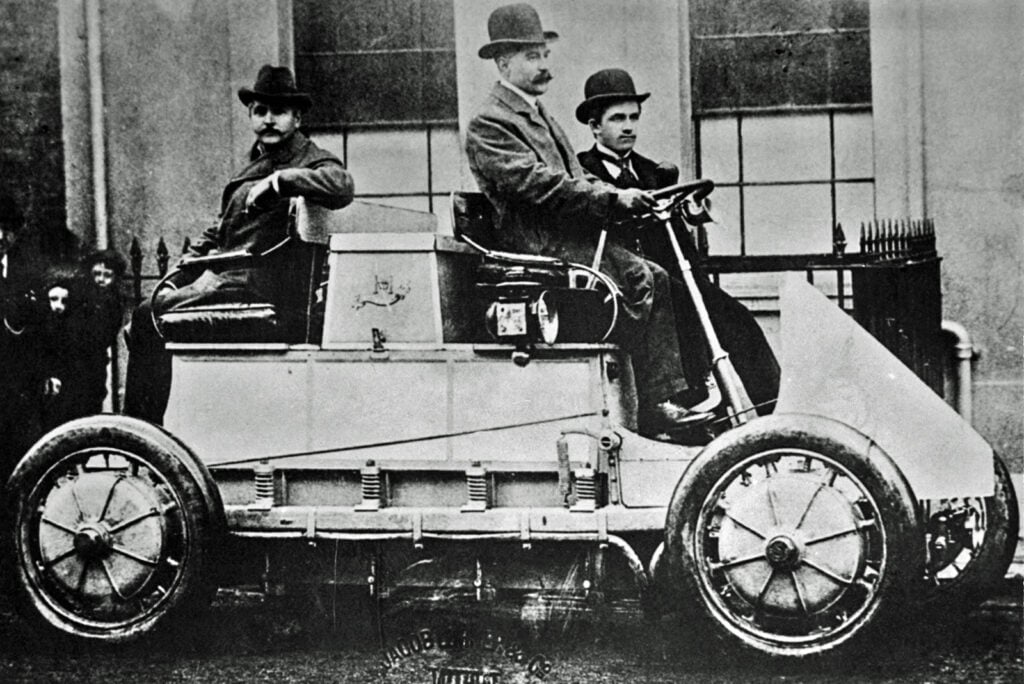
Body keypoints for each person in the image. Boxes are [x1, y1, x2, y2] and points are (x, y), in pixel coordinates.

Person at [463, 3, 711, 440]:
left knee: (655, 275)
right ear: (503, 63)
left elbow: (577, 176)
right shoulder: (490, 123)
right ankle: (646, 406)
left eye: (545, 55)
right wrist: (613, 198)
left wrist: (630, 195)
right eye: (532, 57)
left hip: (567, 241)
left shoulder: (537, 114)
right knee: (640, 278)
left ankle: (655, 400)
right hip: (538, 248)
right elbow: (540, 185)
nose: (544, 66)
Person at [123, 65, 355, 424]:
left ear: (296, 117)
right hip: (229, 282)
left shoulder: (308, 158)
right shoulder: (253, 164)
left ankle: (141, 433)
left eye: (278, 112)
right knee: (148, 313)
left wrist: (282, 182)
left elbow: (341, 185)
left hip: (266, 289)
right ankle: (150, 430)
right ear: (250, 116)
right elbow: (220, 231)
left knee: (145, 317)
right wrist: (179, 272)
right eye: (260, 111)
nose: (268, 120)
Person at [575, 68, 780, 411]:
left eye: (634, 118)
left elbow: (682, 230)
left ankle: (771, 409)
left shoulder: (655, 172)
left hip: (669, 272)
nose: (628, 127)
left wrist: (695, 210)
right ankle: (687, 403)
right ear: (595, 126)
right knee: (683, 307)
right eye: (617, 119)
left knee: (733, 316)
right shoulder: (583, 175)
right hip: (622, 279)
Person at [0, 191, 47, 474]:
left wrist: (45, 372)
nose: (1, 236)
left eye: (7, 230)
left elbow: (42, 330)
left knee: (18, 457)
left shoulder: (27, 275)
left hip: (17, 382)